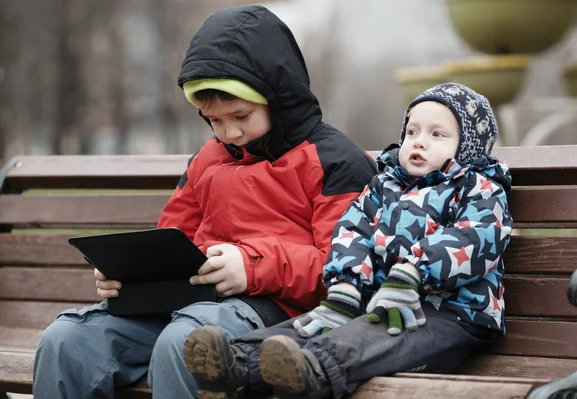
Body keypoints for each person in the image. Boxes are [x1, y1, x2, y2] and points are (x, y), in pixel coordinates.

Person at [32, 5, 377, 399]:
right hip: (191, 304)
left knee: (186, 342)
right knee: (67, 341)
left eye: (241, 115)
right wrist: (131, 276)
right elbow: (173, 239)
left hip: (279, 313)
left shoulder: (336, 160)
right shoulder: (207, 160)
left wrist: (250, 268)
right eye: (214, 120)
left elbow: (345, 272)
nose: (230, 132)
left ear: (278, 98)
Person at [183, 82, 514, 399]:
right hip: (378, 302)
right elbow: (352, 231)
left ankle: (313, 371)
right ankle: (237, 364)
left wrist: (413, 272)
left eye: (437, 134)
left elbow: (474, 238)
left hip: (450, 314)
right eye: (412, 132)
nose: (419, 142)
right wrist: (346, 284)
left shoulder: (478, 190)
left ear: (468, 146)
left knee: (372, 336)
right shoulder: (385, 187)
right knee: (318, 323)